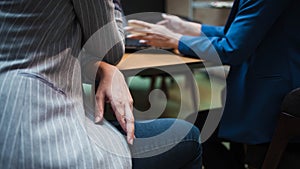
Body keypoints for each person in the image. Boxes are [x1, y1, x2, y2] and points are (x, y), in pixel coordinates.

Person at [0, 0, 202, 168]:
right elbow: (110, 49)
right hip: (40, 133)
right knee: (188, 137)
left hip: (7, 118)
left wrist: (101, 67)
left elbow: (42, 44)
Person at [125, 0, 300, 168]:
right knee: (198, 126)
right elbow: (241, 33)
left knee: (195, 129)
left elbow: (232, 48)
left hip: (271, 97)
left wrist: (176, 40)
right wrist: (189, 28)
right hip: (277, 83)